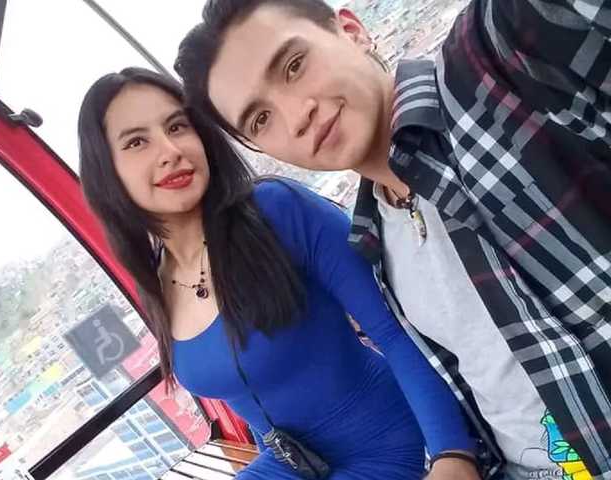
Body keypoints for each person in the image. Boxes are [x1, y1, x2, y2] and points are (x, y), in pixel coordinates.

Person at [174, 1, 611, 479]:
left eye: (294, 66)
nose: (295, 116)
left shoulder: (488, 72)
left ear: (352, 31)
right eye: (260, 119)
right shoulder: (376, 243)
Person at [77, 67, 479, 480]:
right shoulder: (156, 280)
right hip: (295, 463)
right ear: (106, 174)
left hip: (390, 440)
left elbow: (396, 330)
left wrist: (452, 452)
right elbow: (250, 394)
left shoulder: (276, 211)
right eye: (137, 142)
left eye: (177, 126)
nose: (169, 150)